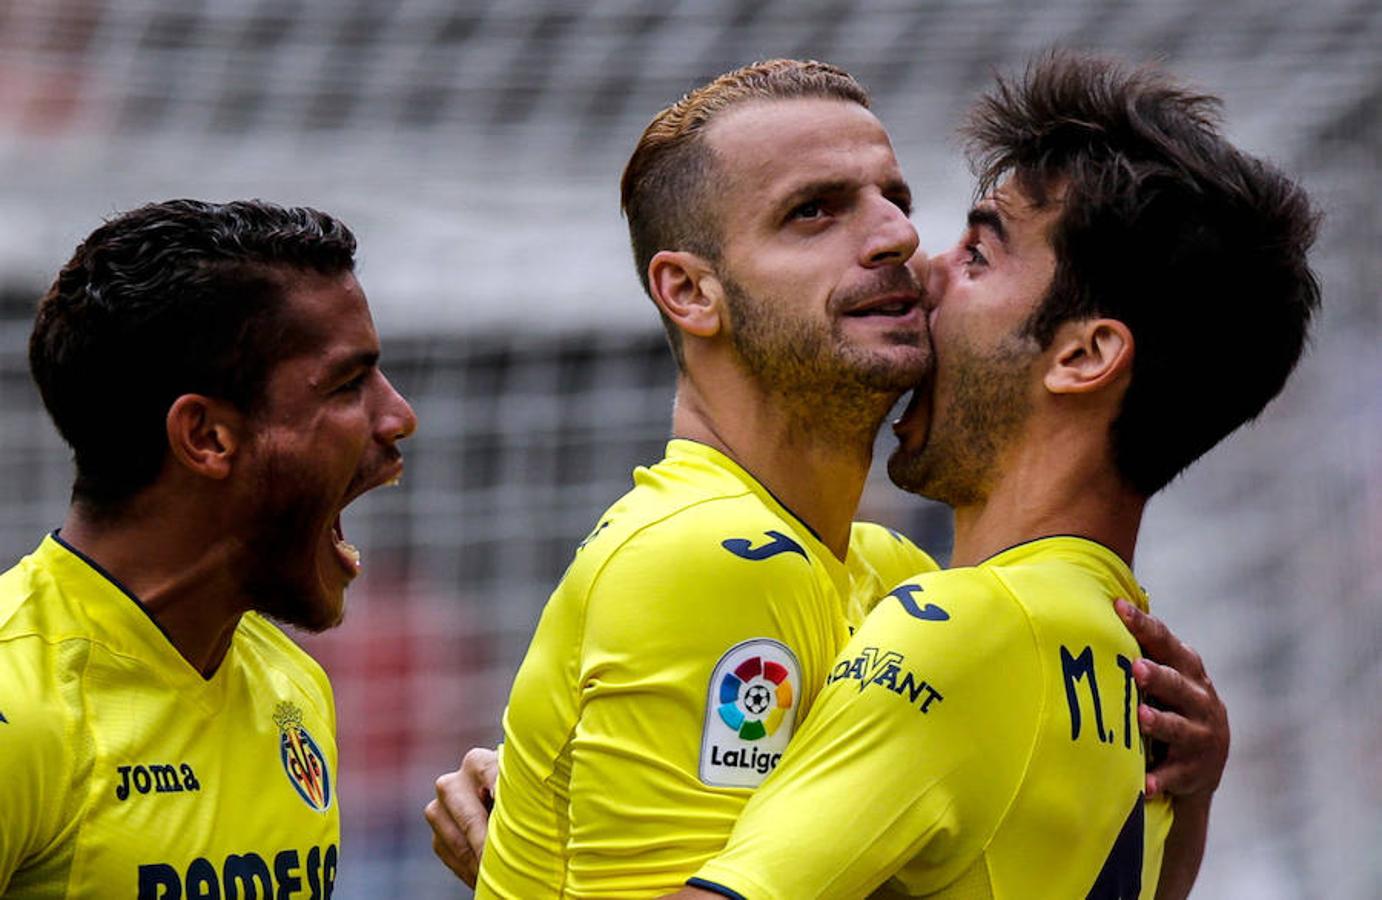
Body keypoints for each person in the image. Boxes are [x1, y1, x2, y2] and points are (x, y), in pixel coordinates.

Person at [426, 60, 1227, 896]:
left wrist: (1189, 793)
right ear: (691, 292)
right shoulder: (710, 556)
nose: (898, 239)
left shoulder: (898, 580)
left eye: (897, 200)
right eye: (814, 212)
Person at [669, 52, 1319, 899]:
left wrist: (527, 857)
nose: (920, 267)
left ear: (1084, 356)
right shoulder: (1132, 673)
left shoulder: (962, 632)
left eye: (978, 255)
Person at [0, 199, 418, 898]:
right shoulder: (21, 708)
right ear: (206, 437)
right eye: (348, 384)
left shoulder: (290, 685)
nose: (398, 417)